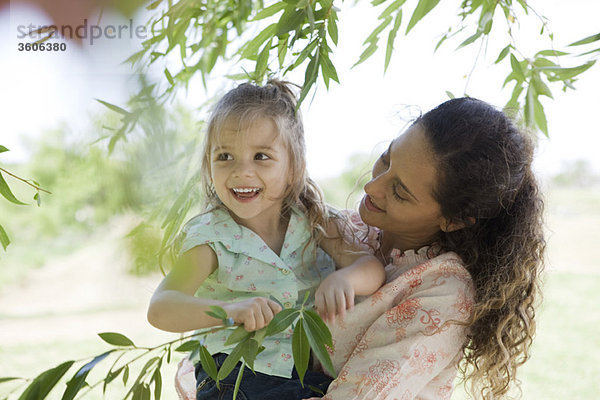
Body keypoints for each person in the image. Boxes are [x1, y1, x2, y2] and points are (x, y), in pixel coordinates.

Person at [146, 80, 385, 400]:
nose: (242, 171)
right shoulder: (211, 236)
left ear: (293, 167)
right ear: (209, 164)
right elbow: (161, 308)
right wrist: (230, 310)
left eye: (261, 156)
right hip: (234, 374)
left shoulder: (315, 220)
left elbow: (369, 266)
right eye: (225, 156)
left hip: (310, 372)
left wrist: (347, 278)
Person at [303, 97, 545, 400]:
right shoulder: (353, 230)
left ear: (454, 220)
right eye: (386, 159)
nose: (372, 187)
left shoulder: (444, 294)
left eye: (400, 193)